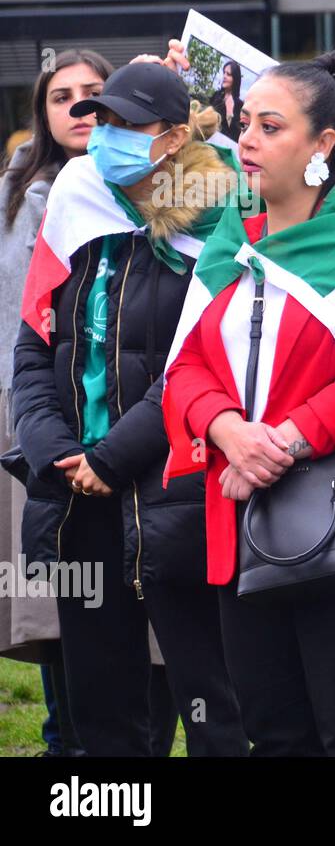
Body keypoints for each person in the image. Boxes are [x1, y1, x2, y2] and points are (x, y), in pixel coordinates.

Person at [162, 50, 335, 756]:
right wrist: (227, 431)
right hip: (239, 522)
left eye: (270, 126)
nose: (245, 139)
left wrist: (279, 442)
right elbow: (184, 367)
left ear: (323, 147)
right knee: (272, 735)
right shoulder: (231, 239)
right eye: (245, 122)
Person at [12, 62, 247, 757]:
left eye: (124, 123)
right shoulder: (75, 200)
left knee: (208, 700)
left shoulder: (218, 212)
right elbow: (32, 346)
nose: (102, 132)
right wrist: (56, 450)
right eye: (98, 117)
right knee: (100, 711)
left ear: (173, 138)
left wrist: (115, 456)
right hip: (77, 498)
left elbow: (200, 358)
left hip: (175, 493)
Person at [0, 48, 111, 757]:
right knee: (49, 589)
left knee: (107, 585)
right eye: (60, 95)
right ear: (41, 113)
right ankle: (62, 737)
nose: (76, 106)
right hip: (26, 405)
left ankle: (102, 739)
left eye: (92, 93)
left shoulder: (139, 191)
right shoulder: (18, 191)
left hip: (111, 412)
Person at [208, 61, 243, 139]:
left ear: (235, 79)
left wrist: (229, 112)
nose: (224, 76)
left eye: (228, 74)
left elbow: (235, 133)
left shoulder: (239, 104)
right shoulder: (217, 95)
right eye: (224, 73)